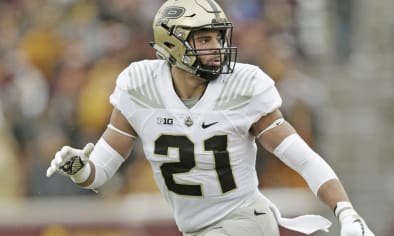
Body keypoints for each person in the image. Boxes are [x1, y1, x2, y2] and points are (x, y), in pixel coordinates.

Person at [46, 0, 374, 235]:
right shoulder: (139, 85)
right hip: (196, 228)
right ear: (171, 44)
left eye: (219, 37)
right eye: (204, 39)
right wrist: (80, 169)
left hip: (245, 222)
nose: (217, 46)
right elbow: (101, 171)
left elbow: (301, 157)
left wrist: (345, 210)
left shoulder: (242, 87)